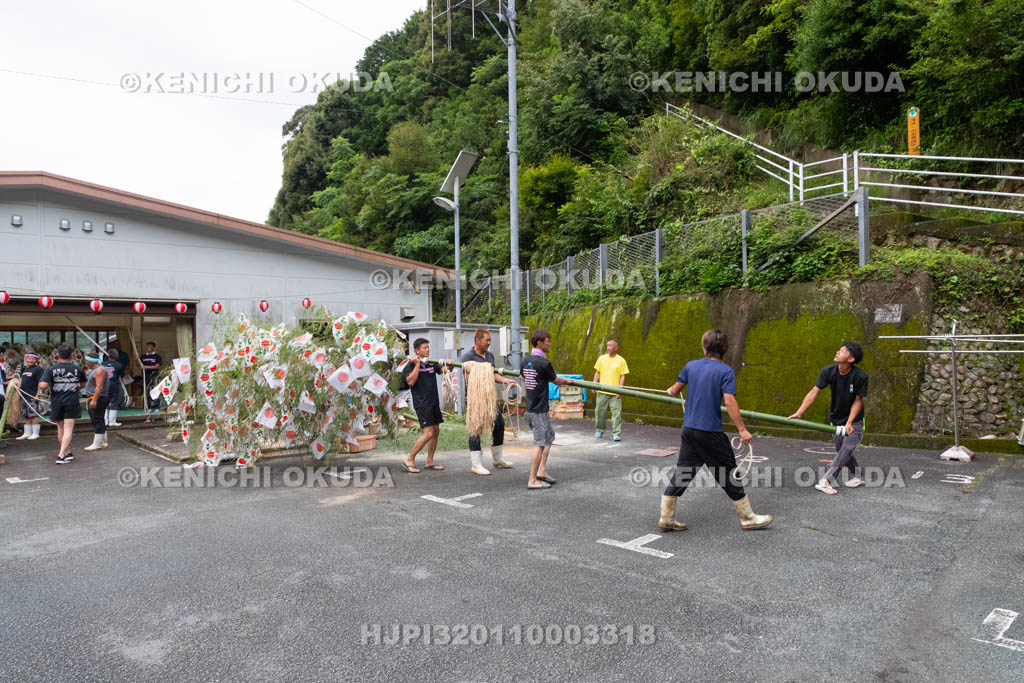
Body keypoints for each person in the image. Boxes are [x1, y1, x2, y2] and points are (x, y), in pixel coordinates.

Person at [658, 329, 772, 532]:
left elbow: (675, 390)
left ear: (704, 348)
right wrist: (743, 430)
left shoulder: (690, 366)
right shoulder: (725, 371)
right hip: (710, 432)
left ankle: (666, 518)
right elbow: (729, 401)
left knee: (684, 471)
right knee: (729, 472)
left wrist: (671, 390)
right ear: (725, 349)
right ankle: (747, 518)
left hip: (690, 430)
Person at [789, 342, 869, 495]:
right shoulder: (829, 371)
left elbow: (859, 401)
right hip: (837, 419)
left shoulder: (860, 376)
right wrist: (799, 412)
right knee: (842, 450)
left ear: (851, 359)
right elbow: (814, 392)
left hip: (855, 421)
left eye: (843, 351)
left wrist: (850, 422)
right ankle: (858, 475)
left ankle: (826, 481)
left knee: (847, 448)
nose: (838, 352)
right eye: (839, 349)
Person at [461, 329, 518, 475]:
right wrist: (480, 372)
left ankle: (497, 458)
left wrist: (506, 380)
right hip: (475, 399)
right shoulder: (468, 356)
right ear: (477, 340)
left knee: (499, 423)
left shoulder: (490, 355)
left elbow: (493, 375)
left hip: (490, 398)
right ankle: (476, 464)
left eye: (489, 340)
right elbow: (468, 378)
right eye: (486, 340)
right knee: (476, 428)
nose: (489, 342)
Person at [520, 329, 572, 490]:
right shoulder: (544, 363)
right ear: (539, 343)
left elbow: (523, 376)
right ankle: (532, 480)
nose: (549, 343)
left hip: (530, 408)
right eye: (547, 341)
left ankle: (541, 471)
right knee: (540, 443)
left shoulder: (525, 360)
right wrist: (569, 381)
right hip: (538, 411)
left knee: (549, 437)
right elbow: (556, 380)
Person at [400, 338, 450, 474]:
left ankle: (430, 461)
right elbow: (410, 382)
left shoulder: (430, 363)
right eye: (424, 348)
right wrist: (417, 365)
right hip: (423, 403)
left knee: (436, 431)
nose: (427, 350)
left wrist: (448, 364)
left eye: (428, 347)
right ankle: (409, 459)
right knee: (428, 433)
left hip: (433, 402)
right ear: (417, 350)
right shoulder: (410, 365)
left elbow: (443, 369)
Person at [39, 345, 86, 464]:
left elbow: (43, 385)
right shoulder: (78, 368)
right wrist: (74, 387)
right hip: (71, 401)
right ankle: (61, 455)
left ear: (58, 355)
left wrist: (44, 383)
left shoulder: (51, 369)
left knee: (60, 428)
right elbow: (83, 384)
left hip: (57, 401)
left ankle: (66, 452)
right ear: (71, 355)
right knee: (68, 429)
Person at [593, 339, 629, 441]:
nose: (608, 347)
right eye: (607, 345)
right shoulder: (601, 358)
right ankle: (599, 430)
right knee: (600, 412)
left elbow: (622, 376)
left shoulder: (621, 360)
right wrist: (594, 385)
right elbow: (597, 373)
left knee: (616, 413)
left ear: (616, 348)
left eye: (611, 345)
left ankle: (616, 434)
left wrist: (620, 390)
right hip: (602, 391)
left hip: (615, 392)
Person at [82, 354, 110, 452]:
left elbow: (99, 386)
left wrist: (94, 399)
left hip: (98, 398)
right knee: (99, 419)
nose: (86, 362)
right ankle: (103, 441)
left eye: (87, 360)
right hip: (96, 397)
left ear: (92, 361)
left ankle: (97, 443)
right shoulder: (96, 370)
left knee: (97, 420)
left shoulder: (99, 370)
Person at [16, 352, 45, 440]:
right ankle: (27, 433)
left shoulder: (38, 369)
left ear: (36, 360)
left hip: (32, 395)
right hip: (23, 395)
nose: (30, 360)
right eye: (29, 358)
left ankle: (35, 433)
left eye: (32, 359)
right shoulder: (24, 369)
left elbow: (41, 382)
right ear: (26, 359)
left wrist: (38, 394)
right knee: (26, 415)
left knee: (33, 414)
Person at [139, 341, 162, 414]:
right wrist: (137, 359)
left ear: (153, 347)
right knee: (147, 391)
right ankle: (148, 406)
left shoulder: (157, 356)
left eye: (149, 346)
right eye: (147, 346)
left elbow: (157, 366)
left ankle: (157, 406)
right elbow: (138, 364)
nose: (148, 348)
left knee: (155, 390)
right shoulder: (143, 356)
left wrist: (145, 367)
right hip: (146, 376)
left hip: (154, 375)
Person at [103, 350, 125, 426]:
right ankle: (112, 422)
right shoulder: (119, 365)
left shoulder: (102, 364)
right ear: (116, 356)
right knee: (114, 403)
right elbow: (121, 375)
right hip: (114, 385)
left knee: (104, 403)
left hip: (103, 385)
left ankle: (105, 421)